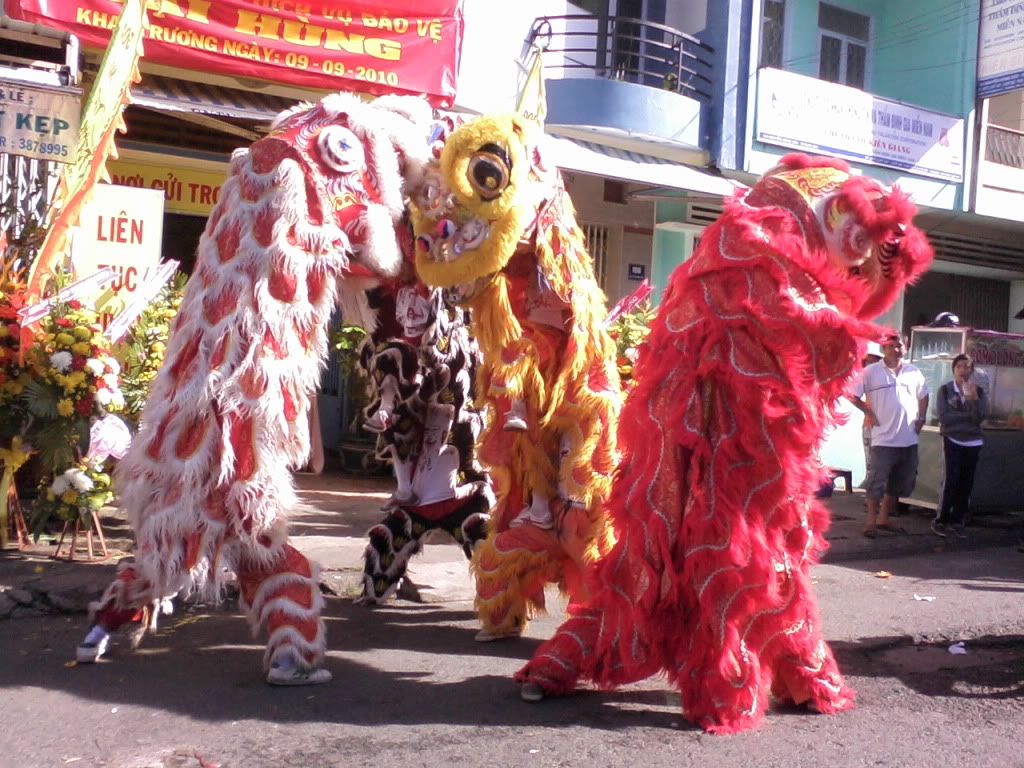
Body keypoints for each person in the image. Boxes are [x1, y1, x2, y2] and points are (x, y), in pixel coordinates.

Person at [850, 332, 929, 538]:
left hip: (908, 438)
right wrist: (869, 413)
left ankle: (884, 518)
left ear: (906, 347)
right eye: (891, 346)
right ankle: (870, 522)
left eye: (900, 345)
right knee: (876, 481)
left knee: (899, 481)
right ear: (883, 349)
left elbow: (924, 394)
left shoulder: (914, 372)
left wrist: (921, 419)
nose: (896, 349)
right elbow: (852, 394)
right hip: (883, 438)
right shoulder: (870, 372)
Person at [933, 354, 987, 538]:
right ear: (954, 369)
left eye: (967, 367)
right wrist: (966, 416)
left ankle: (958, 519)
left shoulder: (978, 391)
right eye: (960, 367)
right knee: (951, 479)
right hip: (953, 438)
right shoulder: (945, 390)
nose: (963, 370)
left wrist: (971, 400)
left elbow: (979, 417)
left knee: (966, 481)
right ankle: (942, 519)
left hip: (973, 441)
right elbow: (944, 417)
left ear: (972, 370)